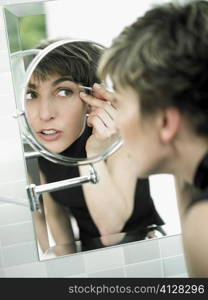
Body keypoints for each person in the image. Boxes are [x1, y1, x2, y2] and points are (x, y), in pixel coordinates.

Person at [83, 0, 208, 277]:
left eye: (123, 105)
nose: (118, 122)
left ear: (164, 121)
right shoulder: (197, 186)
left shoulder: (205, 223)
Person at [26, 40, 164, 255]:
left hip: (144, 251)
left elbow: (110, 231)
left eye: (63, 92)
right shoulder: (41, 147)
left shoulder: (118, 137)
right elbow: (56, 214)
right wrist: (64, 265)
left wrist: (95, 153)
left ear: (92, 98)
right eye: (32, 94)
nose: (44, 114)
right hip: (89, 254)